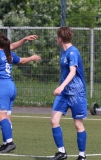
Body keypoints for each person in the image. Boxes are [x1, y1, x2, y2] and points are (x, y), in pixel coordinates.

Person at [50, 26, 87, 160]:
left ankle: (82, 156)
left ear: (59, 39)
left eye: (56, 37)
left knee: (78, 124)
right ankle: (61, 152)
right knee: (54, 120)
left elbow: (72, 72)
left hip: (77, 94)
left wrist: (61, 86)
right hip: (64, 94)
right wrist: (63, 89)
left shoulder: (72, 52)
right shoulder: (64, 53)